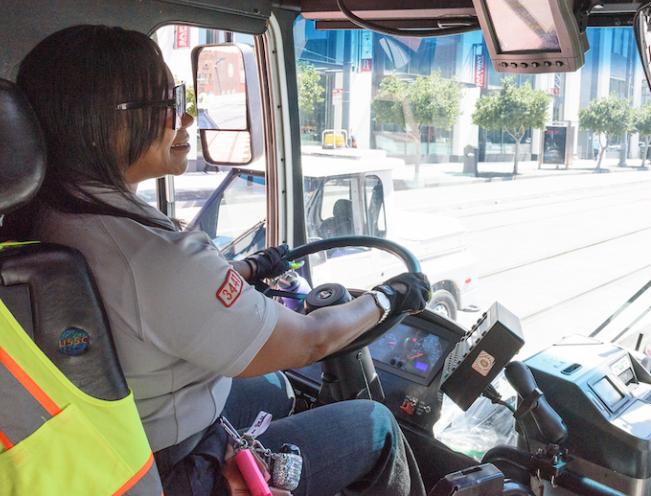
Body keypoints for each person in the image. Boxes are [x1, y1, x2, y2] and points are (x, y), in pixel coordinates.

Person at [9, 25, 430, 496]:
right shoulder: (154, 255)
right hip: (172, 466)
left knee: (273, 388)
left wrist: (246, 271)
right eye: (170, 103)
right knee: (375, 423)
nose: (186, 117)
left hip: (98, 445)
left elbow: (145, 306)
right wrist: (389, 297)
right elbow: (311, 341)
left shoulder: (42, 222)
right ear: (105, 124)